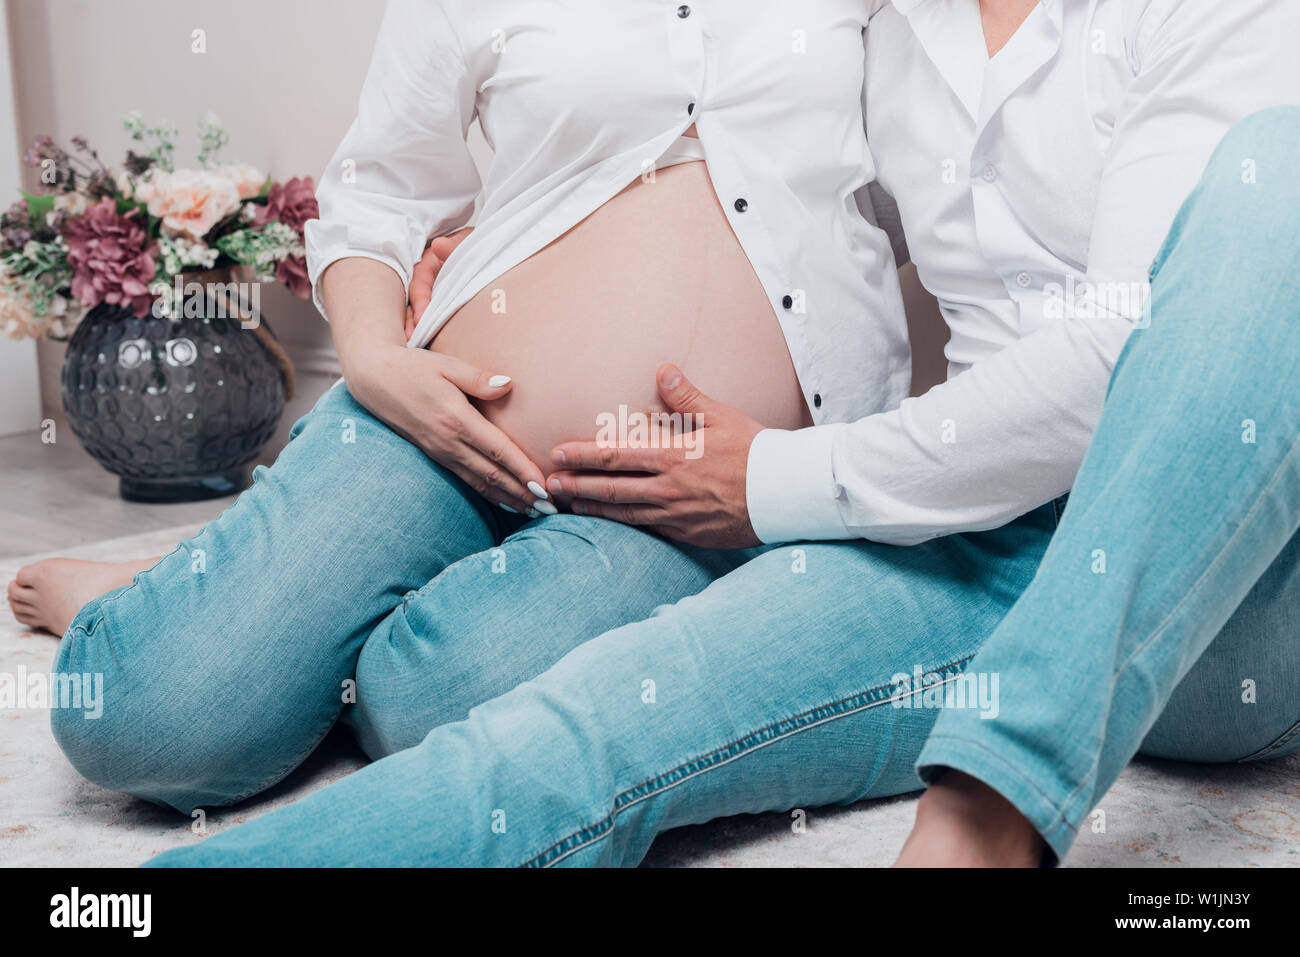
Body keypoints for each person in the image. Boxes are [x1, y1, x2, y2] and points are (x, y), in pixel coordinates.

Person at [141, 0, 1299, 867]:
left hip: (1219, 594)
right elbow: (813, 220)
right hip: (968, 542)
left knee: (1281, 172)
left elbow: (1119, 357)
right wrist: (505, 253)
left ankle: (997, 803)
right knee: (576, 735)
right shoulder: (890, 25)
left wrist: (778, 482)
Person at [11, 0, 910, 809]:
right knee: (142, 718)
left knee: (431, 704)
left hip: (681, 498)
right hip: (442, 418)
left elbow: (938, 210)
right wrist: (370, 354)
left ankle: (258, 606)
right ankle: (170, 604)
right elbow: (379, 189)